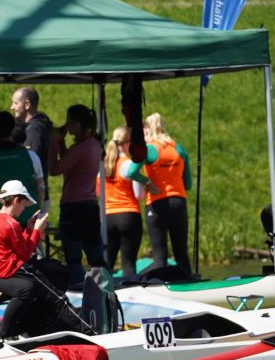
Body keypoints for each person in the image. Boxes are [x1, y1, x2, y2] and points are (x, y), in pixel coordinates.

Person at [129, 113, 192, 278]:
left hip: (157, 203)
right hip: (178, 202)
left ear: (149, 129)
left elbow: (131, 172)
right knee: (181, 253)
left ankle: (161, 285)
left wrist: (148, 183)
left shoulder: (149, 149)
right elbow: (188, 184)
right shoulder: (179, 148)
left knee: (160, 254)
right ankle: (188, 282)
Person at [0, 179, 49, 339]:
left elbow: (21, 249)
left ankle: (23, 330)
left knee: (35, 284)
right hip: (3, 273)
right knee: (28, 288)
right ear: (15, 200)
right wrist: (37, 231)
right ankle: (6, 333)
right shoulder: (10, 223)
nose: (24, 209)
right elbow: (25, 254)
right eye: (23, 205)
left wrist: (29, 229)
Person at [55, 104, 107, 284]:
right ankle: (106, 289)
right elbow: (70, 164)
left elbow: (55, 169)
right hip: (90, 205)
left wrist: (53, 143)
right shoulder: (94, 145)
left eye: (69, 122)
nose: (67, 126)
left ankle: (77, 290)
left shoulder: (80, 148)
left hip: (73, 208)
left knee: (74, 259)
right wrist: (61, 143)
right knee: (96, 257)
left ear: (77, 124)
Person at [103, 126, 145, 279]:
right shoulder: (129, 165)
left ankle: (103, 291)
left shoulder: (102, 165)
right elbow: (139, 194)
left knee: (107, 263)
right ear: (128, 144)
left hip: (108, 217)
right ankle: (130, 289)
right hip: (128, 215)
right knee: (128, 263)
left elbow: (97, 192)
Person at [10, 87, 55, 203]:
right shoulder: (37, 126)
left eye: (15, 103)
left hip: (33, 197)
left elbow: (32, 163)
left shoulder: (34, 130)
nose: (12, 107)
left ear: (27, 104)